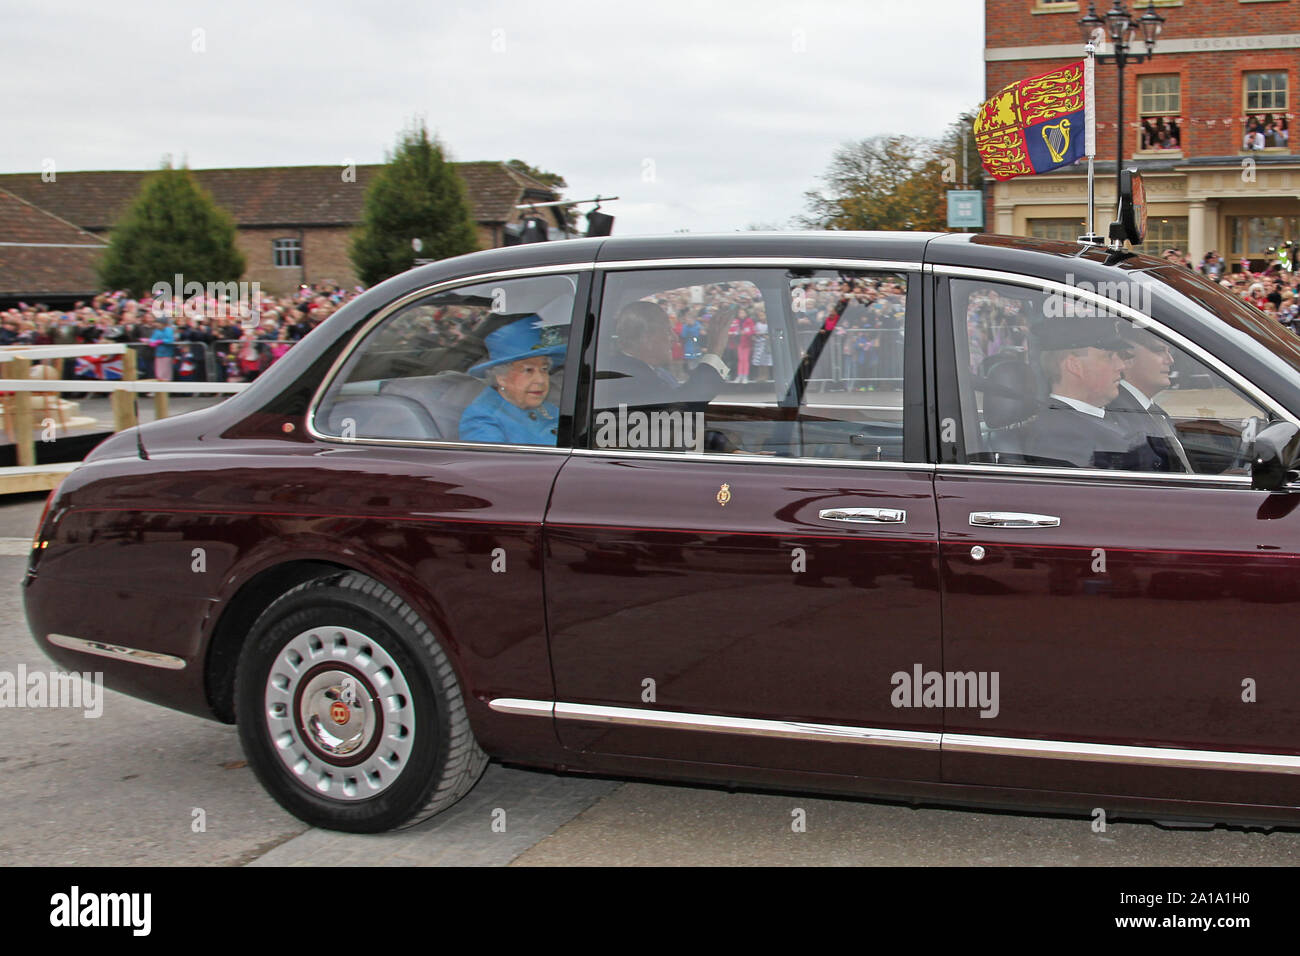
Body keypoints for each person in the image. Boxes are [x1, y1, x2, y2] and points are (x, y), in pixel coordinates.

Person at [1023, 317, 1160, 471]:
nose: (1121, 365)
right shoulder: (1059, 437)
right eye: (1109, 356)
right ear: (1075, 366)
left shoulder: (1111, 414)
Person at [596, 300, 731, 410]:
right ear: (647, 338)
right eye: (667, 330)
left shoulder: (652, 371)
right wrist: (715, 350)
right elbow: (682, 409)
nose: (674, 338)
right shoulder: (628, 378)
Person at [458, 314, 565, 445]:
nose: (541, 380)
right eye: (528, 370)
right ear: (501, 377)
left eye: (544, 369)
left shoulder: (547, 407)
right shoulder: (482, 419)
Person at [1105, 326, 1193, 473]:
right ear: (1127, 359)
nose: (1170, 360)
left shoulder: (1155, 412)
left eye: (1169, 352)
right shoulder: (1118, 414)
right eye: (1159, 351)